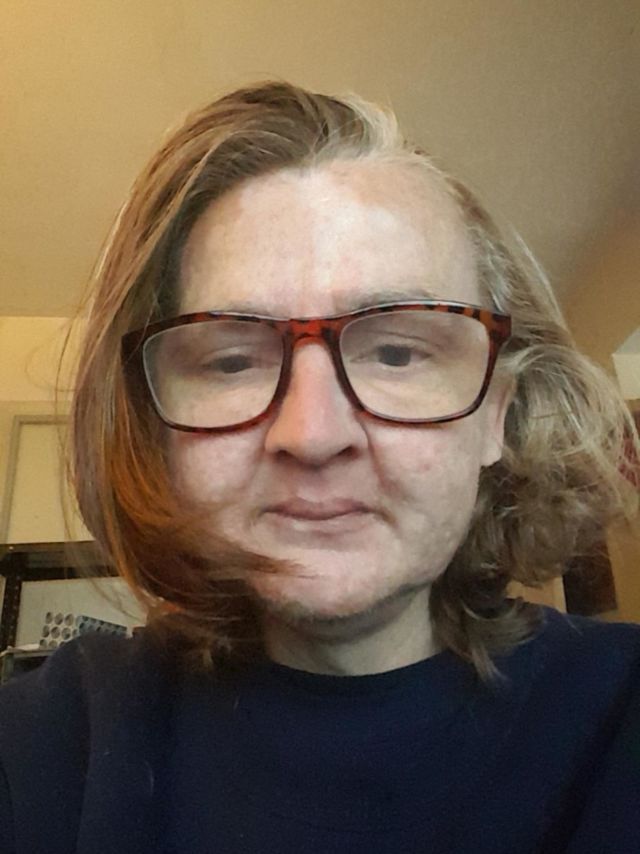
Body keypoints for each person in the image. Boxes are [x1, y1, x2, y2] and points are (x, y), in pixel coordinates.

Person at [1, 81, 639, 854]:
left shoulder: (619, 724)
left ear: (495, 415)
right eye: (232, 361)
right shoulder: (48, 747)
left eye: (396, 353)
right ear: (158, 429)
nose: (311, 434)